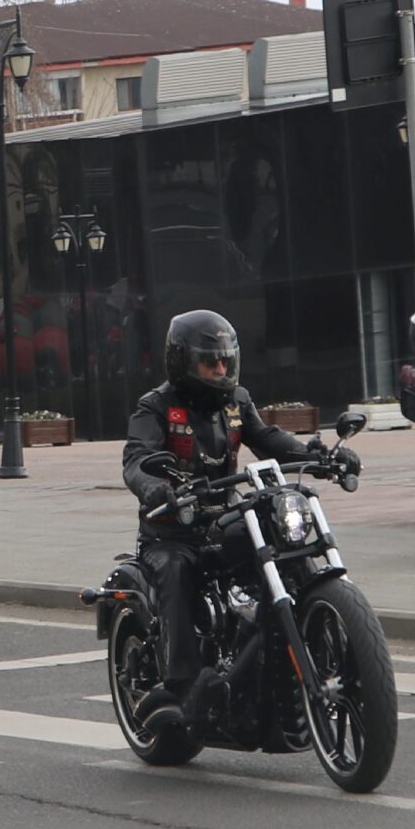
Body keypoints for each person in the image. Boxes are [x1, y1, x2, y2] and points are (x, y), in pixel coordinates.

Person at [121, 311, 345, 730]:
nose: (221, 369)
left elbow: (268, 439)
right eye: (211, 362)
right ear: (183, 361)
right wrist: (153, 486)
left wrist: (318, 455)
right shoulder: (154, 407)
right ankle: (183, 683)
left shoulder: (236, 401)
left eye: (226, 360)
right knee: (175, 569)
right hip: (172, 530)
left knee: (284, 547)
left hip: (223, 519)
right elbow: (135, 460)